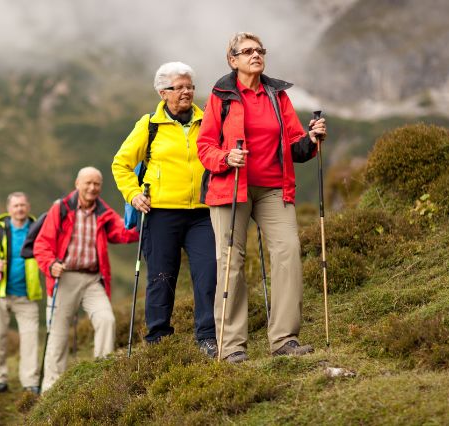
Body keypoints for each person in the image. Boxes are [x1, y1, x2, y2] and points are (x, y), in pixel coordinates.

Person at [197, 32, 327, 363]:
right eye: (248, 51)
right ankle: (231, 348)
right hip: (231, 187)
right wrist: (227, 158)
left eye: (260, 51)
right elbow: (205, 146)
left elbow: (296, 144)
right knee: (232, 264)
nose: (256, 55)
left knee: (288, 252)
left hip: (273, 187)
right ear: (233, 59)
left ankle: (284, 340)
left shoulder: (276, 94)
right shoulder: (221, 96)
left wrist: (311, 138)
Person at [112, 62, 218, 357]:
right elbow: (120, 164)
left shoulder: (207, 119)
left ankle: (207, 336)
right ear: (163, 93)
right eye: (179, 87)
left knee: (208, 272)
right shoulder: (149, 125)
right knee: (161, 277)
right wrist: (133, 194)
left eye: (190, 87)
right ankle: (158, 338)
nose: (186, 92)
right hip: (160, 213)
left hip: (202, 212)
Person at [33, 166, 139, 392]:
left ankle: (103, 377)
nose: (92, 188)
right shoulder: (60, 209)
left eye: (97, 184)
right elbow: (42, 244)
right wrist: (51, 265)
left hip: (93, 279)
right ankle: (50, 390)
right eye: (88, 183)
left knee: (106, 320)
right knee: (58, 335)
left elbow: (122, 232)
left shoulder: (103, 212)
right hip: (66, 277)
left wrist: (144, 224)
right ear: (77, 184)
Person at [0, 192, 42, 393]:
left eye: (23, 205)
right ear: (9, 209)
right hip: (0, 293)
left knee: (30, 339)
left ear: (28, 207)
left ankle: (30, 383)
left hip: (27, 295)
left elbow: (46, 251)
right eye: (16, 206)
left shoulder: (37, 230)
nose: (20, 209)